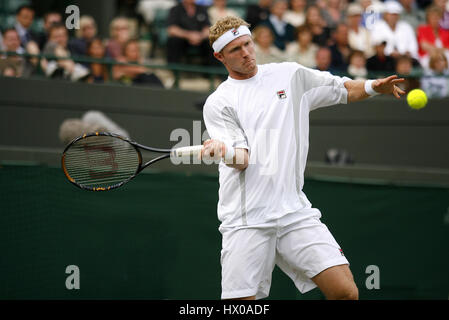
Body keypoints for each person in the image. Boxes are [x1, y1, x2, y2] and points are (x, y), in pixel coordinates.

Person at [200, 15, 405, 300]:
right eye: (236, 49)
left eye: (248, 44)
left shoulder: (290, 75)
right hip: (247, 219)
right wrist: (223, 153)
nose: (246, 52)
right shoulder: (219, 102)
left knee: (346, 292)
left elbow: (341, 88)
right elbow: (242, 159)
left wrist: (373, 87)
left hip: (293, 211)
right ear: (220, 56)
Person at [166, 0, 213, 65]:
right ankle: (174, 69)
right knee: (174, 41)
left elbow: (208, 28)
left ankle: (210, 72)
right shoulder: (175, 9)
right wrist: (189, 35)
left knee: (211, 41)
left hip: (200, 38)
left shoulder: (202, 9)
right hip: (183, 38)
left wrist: (200, 36)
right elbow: (172, 29)